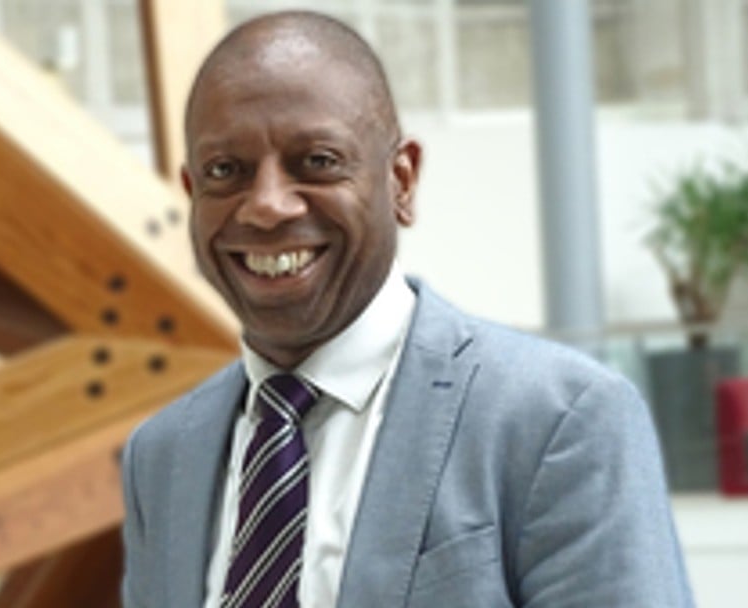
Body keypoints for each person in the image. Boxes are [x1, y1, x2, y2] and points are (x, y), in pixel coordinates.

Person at [121, 10, 693, 608]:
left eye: (317, 161)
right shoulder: (162, 458)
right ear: (191, 194)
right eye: (225, 171)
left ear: (401, 181)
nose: (267, 205)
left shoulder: (558, 420)